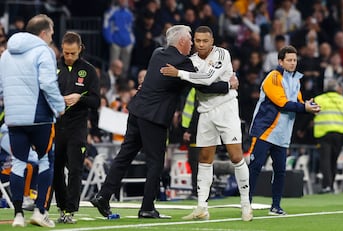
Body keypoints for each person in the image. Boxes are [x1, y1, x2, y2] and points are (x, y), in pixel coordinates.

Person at [91, 25, 238, 219]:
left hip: (137, 112)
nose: (193, 44)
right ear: (182, 42)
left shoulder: (157, 53)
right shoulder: (182, 63)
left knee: (124, 156)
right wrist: (229, 84)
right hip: (154, 118)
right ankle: (147, 208)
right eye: (191, 40)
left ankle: (103, 195)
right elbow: (205, 86)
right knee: (155, 163)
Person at [160, 26, 252, 221]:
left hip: (227, 108)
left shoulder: (222, 54)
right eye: (198, 41)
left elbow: (208, 79)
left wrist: (179, 74)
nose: (201, 44)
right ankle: (202, 207)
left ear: (212, 41)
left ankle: (246, 203)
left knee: (236, 155)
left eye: (205, 41)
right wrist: (226, 84)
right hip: (205, 111)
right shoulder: (191, 61)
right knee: (204, 157)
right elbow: (201, 85)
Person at [0, 14, 65, 227]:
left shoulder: (6, 54)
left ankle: (18, 215)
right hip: (39, 118)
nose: (53, 37)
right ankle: (40, 211)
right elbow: (47, 83)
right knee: (46, 160)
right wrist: (59, 106)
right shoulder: (43, 51)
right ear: (44, 33)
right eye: (52, 33)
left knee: (19, 162)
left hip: (14, 118)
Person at [247, 45, 320, 216]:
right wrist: (304, 108)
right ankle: (246, 202)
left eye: (294, 60)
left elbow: (299, 101)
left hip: (282, 134)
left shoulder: (296, 80)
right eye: (289, 60)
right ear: (281, 61)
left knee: (280, 170)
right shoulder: (273, 77)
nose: (293, 63)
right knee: (255, 167)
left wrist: (310, 105)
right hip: (265, 130)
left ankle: (276, 206)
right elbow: (283, 103)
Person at [53, 31, 100, 224]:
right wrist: (58, 102)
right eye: (66, 53)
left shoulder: (89, 71)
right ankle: (62, 206)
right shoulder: (53, 67)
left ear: (80, 49)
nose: (69, 57)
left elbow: (96, 101)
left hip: (78, 126)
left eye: (72, 53)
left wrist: (79, 98)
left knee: (75, 169)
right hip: (56, 125)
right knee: (55, 170)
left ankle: (70, 211)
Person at [313, 79, 343, 193]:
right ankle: (331, 185)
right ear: (337, 88)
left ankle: (327, 186)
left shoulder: (319, 99)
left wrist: (302, 129)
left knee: (325, 160)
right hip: (339, 134)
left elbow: (309, 114)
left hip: (323, 133)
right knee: (333, 160)